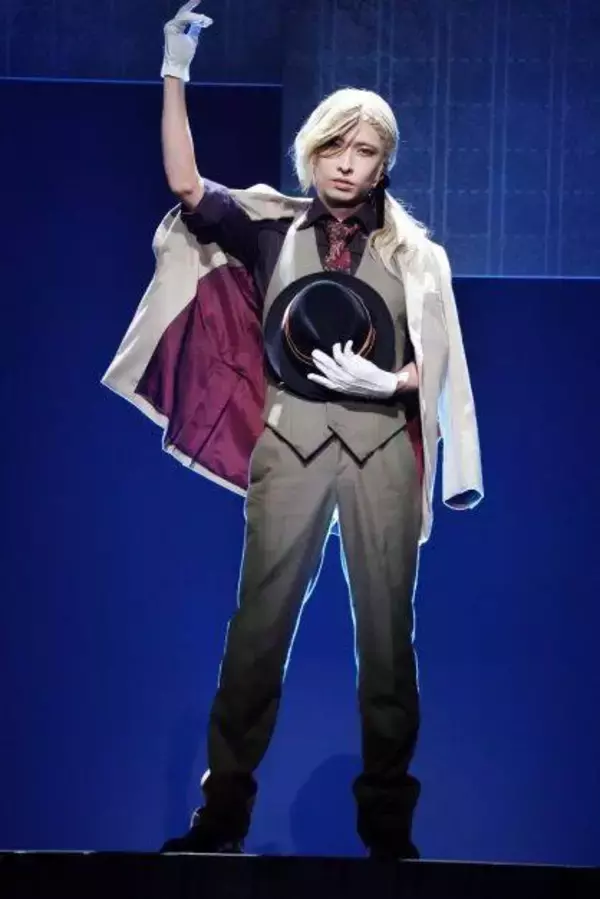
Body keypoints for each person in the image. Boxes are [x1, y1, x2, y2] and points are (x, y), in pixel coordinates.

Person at [102, 1, 483, 859]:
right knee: (256, 632)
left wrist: (394, 380)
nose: (347, 163)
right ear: (312, 151)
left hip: (381, 448)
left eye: (365, 151)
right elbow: (188, 188)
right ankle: (222, 815)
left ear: (384, 162)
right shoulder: (272, 227)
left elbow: (437, 365)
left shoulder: (416, 256)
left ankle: (389, 827)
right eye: (335, 147)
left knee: (388, 644)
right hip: (294, 444)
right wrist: (174, 69)